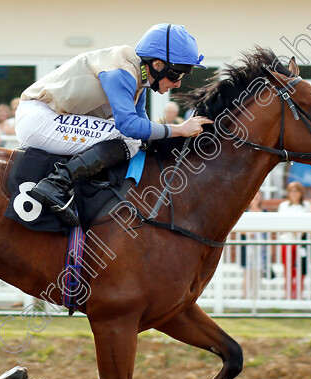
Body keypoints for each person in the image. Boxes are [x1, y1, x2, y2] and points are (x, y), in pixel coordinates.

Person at [15, 23, 211, 226]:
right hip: (39, 118)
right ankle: (56, 183)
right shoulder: (122, 72)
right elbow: (130, 127)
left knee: (135, 141)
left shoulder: (138, 77)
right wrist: (179, 129)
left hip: (49, 118)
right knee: (130, 139)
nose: (178, 83)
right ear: (158, 65)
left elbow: (141, 124)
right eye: (176, 74)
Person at [277, 182, 311, 299]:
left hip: (301, 243)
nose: (294, 194)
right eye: (292, 191)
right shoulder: (284, 206)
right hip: (287, 241)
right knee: (288, 269)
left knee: (300, 270)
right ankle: (288, 294)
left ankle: (298, 294)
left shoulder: (306, 206)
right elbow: (280, 223)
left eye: (297, 191)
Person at [241, 191, 267, 300]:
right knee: (247, 272)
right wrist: (248, 233)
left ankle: (255, 297)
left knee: (258, 272)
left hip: (261, 246)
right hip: (248, 246)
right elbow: (239, 229)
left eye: (258, 197)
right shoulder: (244, 212)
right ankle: (245, 296)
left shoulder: (265, 213)